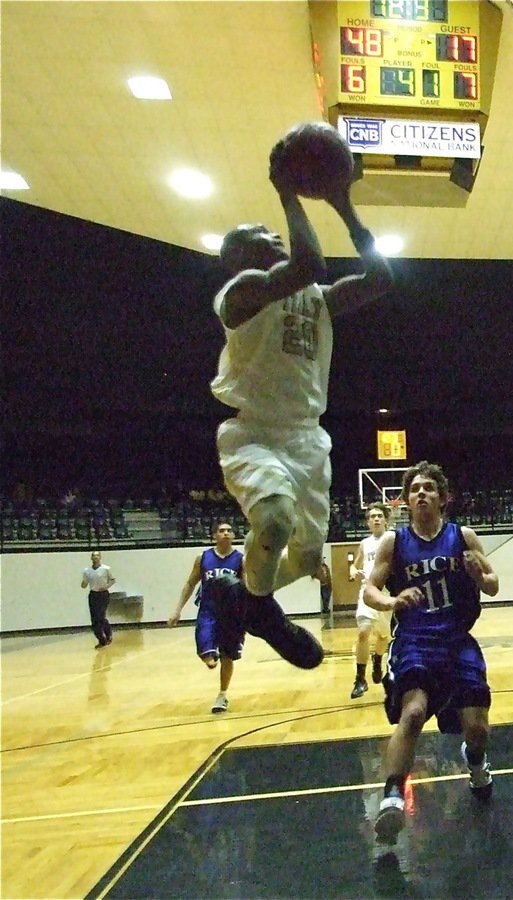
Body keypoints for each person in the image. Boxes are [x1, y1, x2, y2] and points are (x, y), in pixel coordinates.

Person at [207, 147, 393, 669]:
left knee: (308, 557)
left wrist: (345, 205)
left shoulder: (317, 298)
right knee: (274, 520)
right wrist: (287, 191)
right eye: (262, 234)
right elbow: (308, 261)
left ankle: (242, 598)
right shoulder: (241, 293)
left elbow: (381, 279)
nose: (274, 233)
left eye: (275, 227)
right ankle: (261, 609)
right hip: (256, 433)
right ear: (244, 255)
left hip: (309, 438)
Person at [363, 462, 499, 847]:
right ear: (405, 501)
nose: (421, 493)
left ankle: (474, 761)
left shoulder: (464, 536)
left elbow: (493, 585)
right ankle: (391, 794)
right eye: (415, 489)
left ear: (443, 497)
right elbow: (369, 589)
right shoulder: (394, 543)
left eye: (429, 488)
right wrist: (392, 599)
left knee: (477, 730)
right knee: (414, 711)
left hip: (457, 640)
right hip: (416, 640)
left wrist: (478, 575)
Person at [167, 523, 245, 713]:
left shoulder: (241, 560)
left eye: (229, 530)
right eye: (221, 530)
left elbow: (247, 588)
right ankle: (210, 656)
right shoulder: (203, 558)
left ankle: (222, 695)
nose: (226, 533)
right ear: (214, 536)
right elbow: (190, 584)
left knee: (228, 656)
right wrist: (177, 610)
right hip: (208, 610)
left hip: (231, 613)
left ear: (233, 536)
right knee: (208, 656)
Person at [350, 503, 392, 699]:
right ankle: (360, 679)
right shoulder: (365, 543)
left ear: (386, 520)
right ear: (368, 522)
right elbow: (355, 563)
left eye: (379, 516)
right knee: (363, 632)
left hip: (386, 594)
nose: (376, 519)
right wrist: (352, 569)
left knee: (384, 637)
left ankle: (377, 659)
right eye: (372, 516)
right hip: (367, 590)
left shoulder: (393, 539)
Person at [81, 551, 115, 648]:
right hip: (93, 595)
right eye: (93, 556)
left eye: (97, 556)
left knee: (101, 616)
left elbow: (112, 580)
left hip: (103, 594)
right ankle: (101, 640)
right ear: (91, 558)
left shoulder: (106, 569)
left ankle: (108, 634)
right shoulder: (87, 571)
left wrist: (106, 586)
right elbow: (84, 584)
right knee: (94, 619)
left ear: (100, 557)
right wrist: (83, 583)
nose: (95, 557)